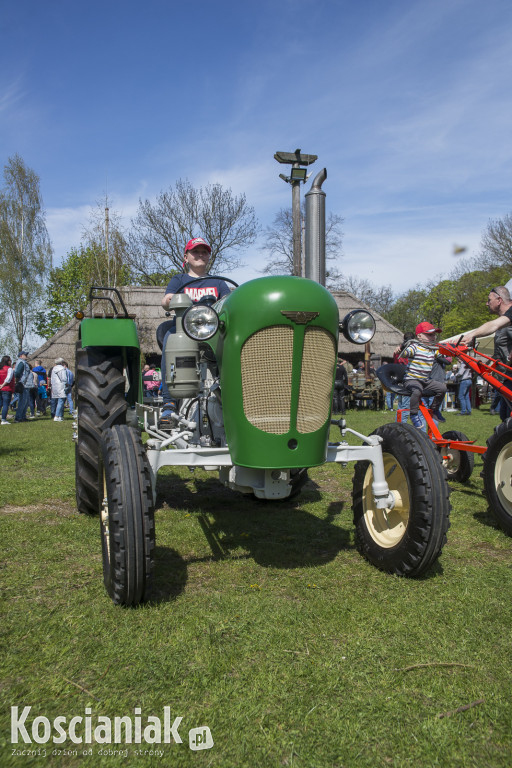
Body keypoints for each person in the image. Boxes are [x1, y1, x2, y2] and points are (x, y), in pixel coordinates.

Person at [159, 237, 231, 427]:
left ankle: (233, 398)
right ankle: (169, 403)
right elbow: (166, 300)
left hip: (212, 333)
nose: (200, 255)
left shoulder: (218, 282)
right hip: (185, 330)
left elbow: (230, 302)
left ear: (209, 256)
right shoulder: (179, 280)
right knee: (170, 338)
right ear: (186, 256)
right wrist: (177, 299)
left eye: (204, 252)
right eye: (195, 252)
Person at [462, 286, 512, 420]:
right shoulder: (504, 320)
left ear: (499, 300)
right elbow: (493, 325)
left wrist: (509, 358)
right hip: (505, 378)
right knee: (505, 419)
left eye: (489, 299)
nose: (486, 303)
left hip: (510, 378)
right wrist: (472, 335)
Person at [397, 322, 447, 429]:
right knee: (417, 390)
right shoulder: (415, 347)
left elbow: (445, 354)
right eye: (429, 335)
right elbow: (406, 353)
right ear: (419, 336)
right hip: (411, 379)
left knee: (442, 388)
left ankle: (434, 409)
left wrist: (453, 349)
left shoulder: (433, 349)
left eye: (434, 335)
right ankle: (414, 414)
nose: (433, 337)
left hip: (425, 380)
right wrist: (401, 348)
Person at [13, 351, 32, 423]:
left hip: (26, 384)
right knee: (22, 401)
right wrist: (18, 381)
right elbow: (17, 373)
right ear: (21, 356)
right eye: (25, 355)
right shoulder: (21, 362)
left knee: (26, 401)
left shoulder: (23, 362)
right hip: (23, 384)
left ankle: (23, 416)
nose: (26, 356)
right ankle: (18, 417)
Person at [0, 355, 15, 425]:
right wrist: (3, 385)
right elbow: (8, 379)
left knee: (0, 404)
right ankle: (3, 419)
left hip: (0, 388)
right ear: (8, 361)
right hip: (7, 388)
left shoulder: (1, 369)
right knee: (5, 404)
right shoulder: (9, 369)